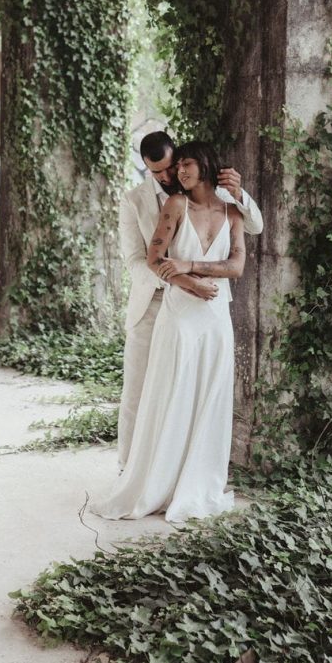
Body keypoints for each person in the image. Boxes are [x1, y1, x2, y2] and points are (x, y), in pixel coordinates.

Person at [95, 141, 246, 521]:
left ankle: (195, 481)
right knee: (167, 392)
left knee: (209, 396)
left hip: (215, 318)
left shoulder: (233, 209)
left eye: (186, 164)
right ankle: (148, 476)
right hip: (178, 311)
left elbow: (238, 266)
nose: (178, 172)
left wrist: (192, 265)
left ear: (207, 164)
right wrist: (190, 283)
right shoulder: (174, 205)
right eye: (175, 167)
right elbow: (151, 258)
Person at [116, 130, 263, 469]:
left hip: (201, 307)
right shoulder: (134, 200)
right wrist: (180, 280)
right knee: (138, 393)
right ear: (146, 168)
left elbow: (254, 226)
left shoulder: (214, 196)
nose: (168, 177)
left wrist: (239, 193)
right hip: (153, 302)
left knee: (186, 392)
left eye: (171, 167)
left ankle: (175, 470)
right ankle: (129, 468)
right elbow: (136, 260)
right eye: (158, 173)